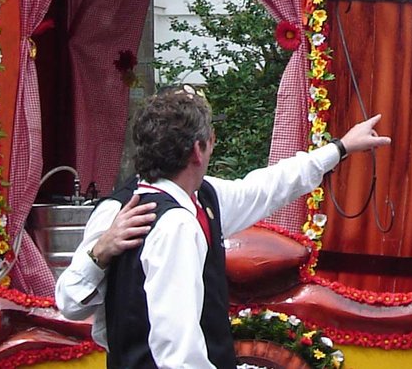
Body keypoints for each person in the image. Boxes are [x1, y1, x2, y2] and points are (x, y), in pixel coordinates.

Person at [55, 87, 390, 368]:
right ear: (198, 150)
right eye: (211, 138)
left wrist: (340, 148)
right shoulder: (141, 216)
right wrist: (98, 253)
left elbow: (267, 187)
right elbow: (177, 348)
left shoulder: (204, 198)